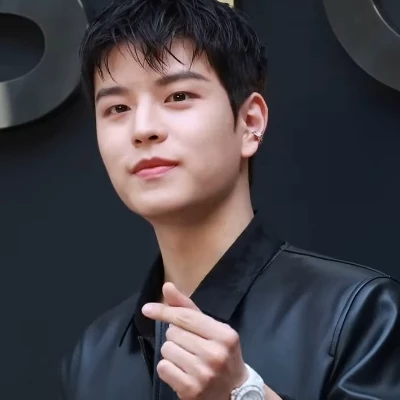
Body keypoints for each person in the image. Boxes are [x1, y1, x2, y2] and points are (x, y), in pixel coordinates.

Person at [59, 0, 400, 399]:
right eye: (118, 107)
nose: (143, 128)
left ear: (250, 122)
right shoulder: (94, 355)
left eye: (178, 96)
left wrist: (243, 393)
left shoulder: (359, 313)